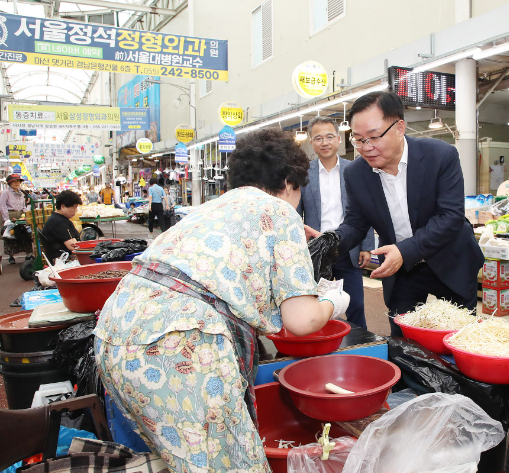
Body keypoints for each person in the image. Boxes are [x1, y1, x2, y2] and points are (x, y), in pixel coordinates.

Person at [94, 127, 350, 473]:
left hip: (115, 335)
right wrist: (334, 301)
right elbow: (302, 321)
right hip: (176, 344)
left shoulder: (210, 209)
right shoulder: (278, 210)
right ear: (290, 181)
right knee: (230, 465)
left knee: (187, 460)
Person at [305, 92, 484, 337]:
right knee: (402, 338)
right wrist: (330, 241)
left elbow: (450, 217)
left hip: (449, 259)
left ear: (399, 127)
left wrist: (404, 250)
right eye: (358, 140)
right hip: (401, 270)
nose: (366, 148)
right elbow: (356, 223)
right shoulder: (357, 173)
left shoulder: (440, 155)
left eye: (373, 137)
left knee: (459, 336)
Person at [298, 116, 375, 329]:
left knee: (356, 305)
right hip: (317, 249)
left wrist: (367, 246)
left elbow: (365, 210)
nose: (325, 142)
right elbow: (296, 213)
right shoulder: (304, 174)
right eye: (319, 138)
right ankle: (323, 347)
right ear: (311, 142)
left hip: (347, 247)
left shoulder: (356, 169)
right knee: (316, 305)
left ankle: (360, 348)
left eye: (330, 136)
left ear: (339, 139)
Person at [41, 190, 81, 264]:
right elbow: (73, 246)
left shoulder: (57, 219)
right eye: (74, 208)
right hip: (63, 259)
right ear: (62, 206)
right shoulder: (58, 222)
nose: (75, 211)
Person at [1, 174, 32, 265]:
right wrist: (6, 219)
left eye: (18, 181)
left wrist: (27, 215)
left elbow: (23, 206)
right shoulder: (5, 192)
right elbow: (2, 206)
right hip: (10, 216)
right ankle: (11, 256)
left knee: (25, 235)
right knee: (10, 236)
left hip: (20, 216)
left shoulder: (21, 193)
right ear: (9, 183)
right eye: (14, 181)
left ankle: (28, 254)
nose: (16, 183)